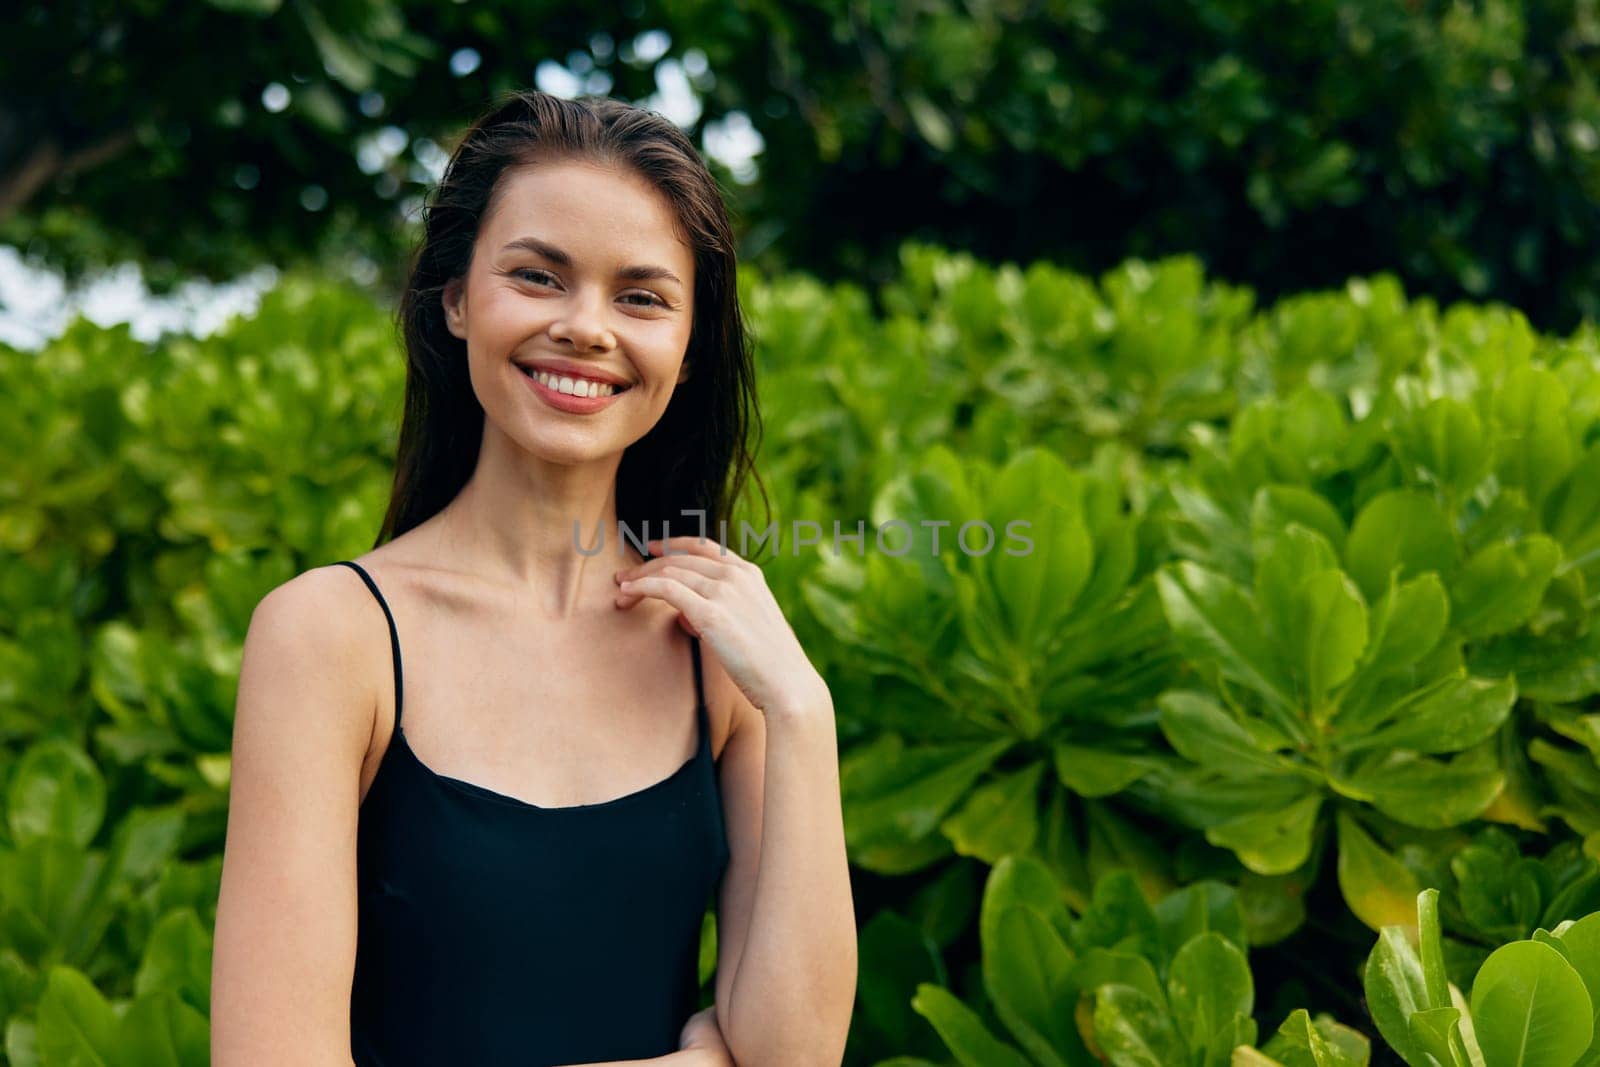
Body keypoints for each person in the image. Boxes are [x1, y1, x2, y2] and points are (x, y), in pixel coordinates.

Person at [210, 90, 857, 1066]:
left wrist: (801, 708)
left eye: (639, 296)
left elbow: (795, 1051)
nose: (587, 327)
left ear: (686, 351)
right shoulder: (329, 636)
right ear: (458, 298)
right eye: (539, 276)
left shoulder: (719, 648)